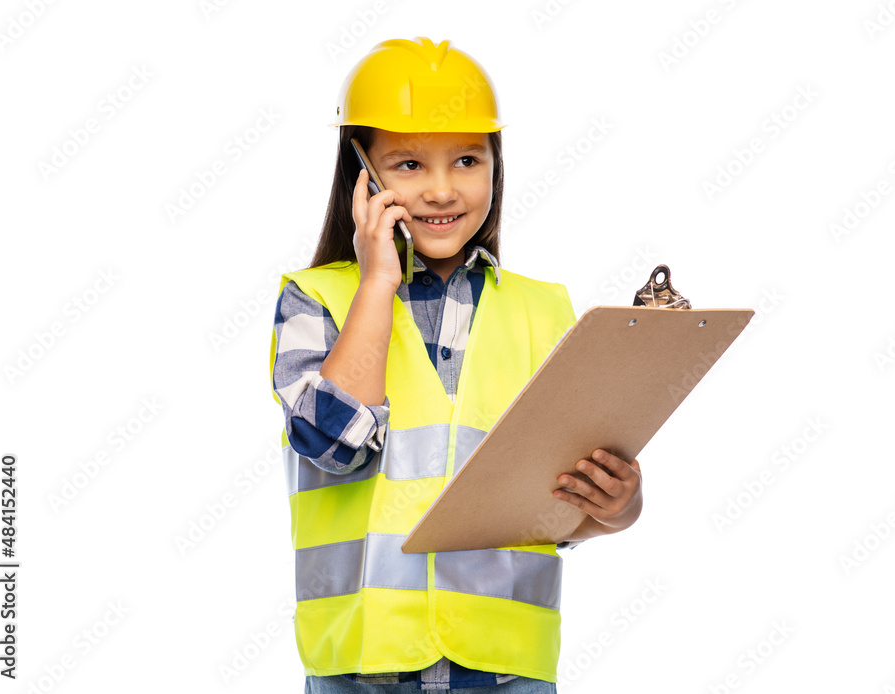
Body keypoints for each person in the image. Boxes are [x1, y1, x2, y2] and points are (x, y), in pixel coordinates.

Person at [268, 37, 643, 693]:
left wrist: (617, 507)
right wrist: (376, 281)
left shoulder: (543, 310)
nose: (443, 190)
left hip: (505, 669)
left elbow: (555, 508)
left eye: (468, 159)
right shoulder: (317, 298)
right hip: (362, 667)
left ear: (497, 165)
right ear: (363, 176)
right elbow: (333, 447)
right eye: (408, 164)